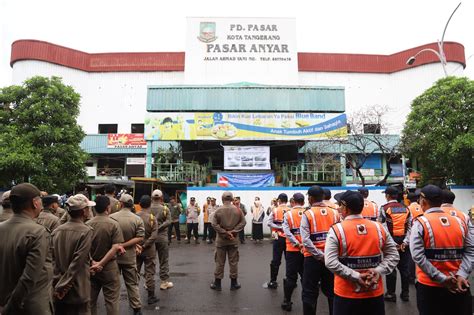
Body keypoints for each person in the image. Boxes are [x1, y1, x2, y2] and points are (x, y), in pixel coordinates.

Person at [325, 190, 399, 315]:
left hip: (346, 294)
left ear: (345, 208)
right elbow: (393, 255)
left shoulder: (336, 230)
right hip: (374, 292)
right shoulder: (378, 228)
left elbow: (330, 262)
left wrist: (356, 276)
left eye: (340, 206)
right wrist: (378, 271)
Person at [410, 184, 473, 315]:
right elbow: (470, 250)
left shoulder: (420, 223)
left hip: (430, 288)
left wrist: (442, 279)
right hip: (459, 285)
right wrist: (461, 274)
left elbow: (417, 256)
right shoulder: (460, 221)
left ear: (423, 201)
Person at [0, 183, 53, 314]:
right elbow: (29, 278)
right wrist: (9, 308)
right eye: (40, 199)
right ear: (35, 203)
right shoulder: (38, 232)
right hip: (29, 307)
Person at [52, 194, 95, 315]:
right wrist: (63, 286)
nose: (89, 210)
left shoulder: (57, 231)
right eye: (88, 208)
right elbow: (77, 262)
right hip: (77, 286)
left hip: (58, 283)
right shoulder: (86, 231)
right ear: (83, 211)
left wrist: (57, 283)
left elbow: (52, 259)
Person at [301, 186, 339, 315]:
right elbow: (339, 236)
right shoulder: (335, 212)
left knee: (309, 293)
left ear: (310, 198)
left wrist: (319, 255)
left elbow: (305, 240)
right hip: (331, 258)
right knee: (333, 291)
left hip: (312, 258)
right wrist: (327, 255)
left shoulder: (308, 213)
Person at [86, 195, 125, 315]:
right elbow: (115, 247)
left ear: (94, 208)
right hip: (109, 268)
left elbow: (84, 248)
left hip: (90, 268)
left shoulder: (87, 225)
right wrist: (101, 263)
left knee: (90, 301)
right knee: (112, 301)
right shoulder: (113, 224)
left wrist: (93, 262)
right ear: (108, 208)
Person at [110, 193, 145, 315]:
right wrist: (125, 245)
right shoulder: (137, 219)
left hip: (113, 257)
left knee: (114, 285)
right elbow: (140, 237)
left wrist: (118, 246)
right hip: (129, 257)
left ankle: (113, 310)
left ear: (121, 204)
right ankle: (136, 309)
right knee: (132, 283)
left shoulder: (112, 217)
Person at [379, 186, 411, 302]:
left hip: (391, 243)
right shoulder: (406, 208)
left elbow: (383, 227)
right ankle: (405, 294)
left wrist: (392, 243)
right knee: (404, 269)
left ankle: (391, 294)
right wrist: (405, 242)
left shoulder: (384, 208)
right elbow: (410, 227)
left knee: (391, 268)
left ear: (387, 196)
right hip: (404, 244)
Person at [210, 191, 246, 291]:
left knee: (219, 262)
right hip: (233, 240)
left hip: (221, 241)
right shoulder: (238, 210)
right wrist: (233, 231)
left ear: (222, 199)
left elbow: (214, 224)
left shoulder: (218, 210)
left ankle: (217, 284)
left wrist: (224, 232)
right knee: (233, 262)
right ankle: (233, 284)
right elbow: (243, 222)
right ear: (232, 199)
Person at [281, 192, 306, 311]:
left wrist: (296, 243)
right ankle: (307, 302)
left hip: (292, 250)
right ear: (304, 201)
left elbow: (287, 232)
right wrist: (304, 244)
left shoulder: (288, 214)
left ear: (293, 202)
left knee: (291, 277)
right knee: (306, 277)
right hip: (307, 250)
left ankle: (287, 301)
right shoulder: (308, 213)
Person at [136, 195, 160, 305]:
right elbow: (154, 236)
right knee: (149, 272)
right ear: (150, 204)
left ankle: (134, 297)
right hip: (149, 249)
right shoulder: (152, 218)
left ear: (140, 204)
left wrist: (138, 245)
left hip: (136, 249)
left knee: (135, 273)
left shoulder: (135, 217)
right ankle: (151, 296)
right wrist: (145, 245)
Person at [150, 189, 173, 290]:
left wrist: (153, 229)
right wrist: (159, 228)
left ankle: (148, 282)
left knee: (150, 260)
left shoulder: (148, 208)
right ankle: (164, 282)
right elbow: (169, 221)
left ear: (152, 198)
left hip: (150, 238)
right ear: (161, 198)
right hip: (162, 237)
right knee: (163, 260)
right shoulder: (165, 209)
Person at [265, 193, 289, 289]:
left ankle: (273, 281)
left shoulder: (275, 210)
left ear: (279, 200)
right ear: (286, 201)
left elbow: (269, 223)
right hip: (289, 238)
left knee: (276, 260)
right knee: (289, 260)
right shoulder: (291, 210)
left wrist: (279, 227)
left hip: (278, 237)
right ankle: (290, 280)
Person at [407, 191, 423, 284]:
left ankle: (411, 277)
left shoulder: (408, 208)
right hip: (423, 232)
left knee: (412, 256)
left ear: (408, 200)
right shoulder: (421, 207)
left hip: (414, 234)